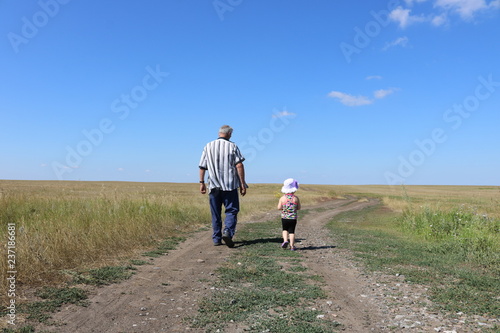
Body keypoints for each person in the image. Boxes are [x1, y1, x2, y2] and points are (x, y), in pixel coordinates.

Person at [199, 125, 247, 248]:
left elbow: (202, 166)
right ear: (229, 134)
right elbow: (239, 165)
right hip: (229, 185)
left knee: (215, 212)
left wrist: (201, 182)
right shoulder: (232, 146)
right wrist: (242, 183)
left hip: (213, 185)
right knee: (231, 210)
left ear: (219, 133)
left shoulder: (208, 146)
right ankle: (228, 232)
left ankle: (216, 238)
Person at [277, 178, 301, 251]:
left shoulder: (282, 198)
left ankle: (285, 241)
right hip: (293, 218)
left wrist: (284, 208)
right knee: (292, 232)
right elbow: (299, 207)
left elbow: (279, 207)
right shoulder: (296, 198)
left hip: (284, 217)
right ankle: (292, 246)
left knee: (284, 230)